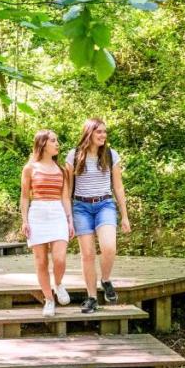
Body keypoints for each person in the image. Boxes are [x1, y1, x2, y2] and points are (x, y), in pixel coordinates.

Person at [65, 119, 131, 313]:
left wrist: (125, 215)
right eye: (99, 132)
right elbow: (67, 189)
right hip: (80, 207)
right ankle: (92, 297)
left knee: (109, 247)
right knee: (88, 255)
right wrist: (67, 216)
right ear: (89, 133)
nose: (103, 135)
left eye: (105, 132)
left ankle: (106, 279)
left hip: (105, 205)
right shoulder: (74, 155)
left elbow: (118, 187)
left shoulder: (111, 155)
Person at [20, 130, 75, 317]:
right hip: (37, 214)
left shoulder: (62, 170)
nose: (57, 144)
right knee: (41, 261)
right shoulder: (30, 168)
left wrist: (70, 220)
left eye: (57, 141)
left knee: (59, 258)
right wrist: (24, 221)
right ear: (42, 144)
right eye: (53, 141)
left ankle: (58, 284)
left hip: (57, 213)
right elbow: (25, 197)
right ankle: (49, 299)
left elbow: (66, 197)